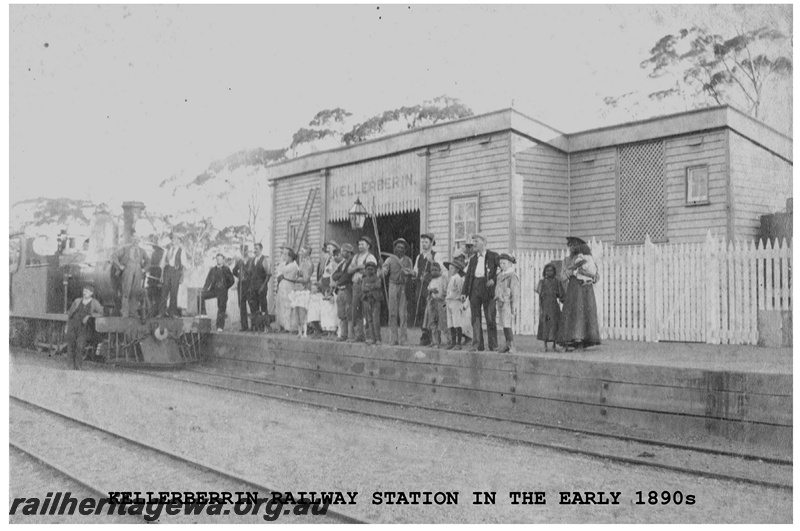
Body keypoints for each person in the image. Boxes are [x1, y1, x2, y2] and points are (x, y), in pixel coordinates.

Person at [558, 237, 601, 351]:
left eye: (574, 245)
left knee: (587, 313)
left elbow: (596, 275)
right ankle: (573, 340)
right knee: (575, 314)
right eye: (570, 245)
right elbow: (562, 277)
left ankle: (584, 341)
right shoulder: (567, 260)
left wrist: (589, 274)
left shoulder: (588, 258)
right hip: (574, 288)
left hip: (586, 289)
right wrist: (572, 271)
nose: (572, 248)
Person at [460, 233, 500, 351]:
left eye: (476, 241)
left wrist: (494, 279)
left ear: (484, 242)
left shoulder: (493, 256)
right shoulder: (473, 259)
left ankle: (493, 345)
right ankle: (477, 345)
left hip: (488, 289)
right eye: (473, 242)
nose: (474, 244)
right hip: (474, 289)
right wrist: (464, 293)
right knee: (475, 318)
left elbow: (503, 269)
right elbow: (468, 277)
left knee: (490, 317)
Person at [381, 238, 414, 346]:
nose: (400, 249)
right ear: (395, 248)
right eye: (398, 247)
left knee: (403, 313)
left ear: (405, 249)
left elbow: (413, 272)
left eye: (402, 247)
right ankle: (393, 338)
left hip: (403, 286)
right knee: (392, 313)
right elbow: (384, 270)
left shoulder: (408, 260)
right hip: (393, 286)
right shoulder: (390, 259)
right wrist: (382, 271)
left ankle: (403, 339)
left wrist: (409, 272)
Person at [65, 285, 104, 370]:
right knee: (71, 345)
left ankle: (78, 367)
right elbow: (70, 313)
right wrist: (67, 325)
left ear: (91, 293)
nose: (84, 293)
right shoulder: (77, 301)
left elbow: (101, 313)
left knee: (80, 346)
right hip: (73, 324)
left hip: (83, 326)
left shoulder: (94, 302)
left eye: (86, 291)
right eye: (84, 291)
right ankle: (70, 366)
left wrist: (89, 316)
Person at [347, 235, 378, 343]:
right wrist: (358, 267)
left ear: (368, 246)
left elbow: (371, 272)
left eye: (362, 244)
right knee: (355, 310)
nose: (360, 246)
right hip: (355, 285)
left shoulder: (370, 257)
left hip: (365, 286)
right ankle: (358, 335)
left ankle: (369, 336)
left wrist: (360, 269)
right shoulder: (355, 257)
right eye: (359, 244)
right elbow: (349, 270)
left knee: (367, 311)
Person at [111, 233, 149, 318]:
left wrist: (144, 269)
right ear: (131, 239)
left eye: (138, 240)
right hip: (128, 269)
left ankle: (133, 312)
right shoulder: (125, 248)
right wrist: (119, 266)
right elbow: (114, 256)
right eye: (134, 239)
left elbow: (148, 261)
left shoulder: (142, 251)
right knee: (126, 291)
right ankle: (125, 312)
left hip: (138, 271)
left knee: (135, 291)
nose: (136, 241)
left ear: (139, 241)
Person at [413, 233, 439, 346]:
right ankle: (424, 334)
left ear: (431, 243)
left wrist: (432, 261)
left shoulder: (436, 255)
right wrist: (411, 273)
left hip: (430, 285)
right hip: (420, 286)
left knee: (430, 311)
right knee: (420, 310)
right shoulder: (419, 257)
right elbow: (416, 272)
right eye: (422, 242)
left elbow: (441, 270)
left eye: (426, 242)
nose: (424, 244)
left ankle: (432, 337)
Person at [200, 253, 235, 332]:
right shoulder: (213, 269)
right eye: (217, 259)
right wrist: (204, 289)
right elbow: (208, 281)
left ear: (223, 260)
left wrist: (226, 287)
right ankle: (203, 314)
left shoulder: (226, 269)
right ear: (216, 260)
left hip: (222, 291)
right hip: (214, 290)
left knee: (221, 308)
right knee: (201, 295)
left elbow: (232, 281)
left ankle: (220, 326)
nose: (219, 260)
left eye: (220, 259)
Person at [536, 262, 565, 352]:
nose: (549, 272)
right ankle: (545, 345)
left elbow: (561, 295)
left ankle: (554, 345)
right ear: (544, 272)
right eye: (547, 271)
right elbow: (540, 294)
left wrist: (564, 300)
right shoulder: (542, 282)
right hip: (545, 306)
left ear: (554, 272)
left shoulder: (557, 282)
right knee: (545, 324)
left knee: (554, 324)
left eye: (551, 271)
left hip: (553, 306)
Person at [495, 253, 520, 353]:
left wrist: (514, 305)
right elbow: (497, 288)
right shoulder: (500, 276)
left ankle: (512, 345)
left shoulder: (512, 276)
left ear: (510, 264)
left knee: (507, 324)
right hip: (500, 302)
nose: (502, 265)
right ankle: (507, 344)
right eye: (500, 263)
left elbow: (515, 292)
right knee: (504, 324)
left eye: (504, 263)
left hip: (507, 303)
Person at [332, 243, 355, 341]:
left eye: (344, 251)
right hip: (340, 289)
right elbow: (334, 275)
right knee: (341, 313)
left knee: (349, 312)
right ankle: (343, 334)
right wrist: (340, 275)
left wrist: (340, 277)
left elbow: (347, 276)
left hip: (347, 288)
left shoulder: (352, 261)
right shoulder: (342, 263)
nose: (342, 253)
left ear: (349, 252)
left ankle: (350, 335)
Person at [444, 255, 468, 350]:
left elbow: (462, 291)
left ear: (457, 269)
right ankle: (453, 342)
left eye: (453, 268)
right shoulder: (451, 278)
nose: (450, 270)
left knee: (457, 322)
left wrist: (463, 303)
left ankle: (458, 343)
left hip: (456, 302)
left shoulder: (458, 279)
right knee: (451, 323)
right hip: (449, 301)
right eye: (449, 268)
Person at [159, 232, 185, 317]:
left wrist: (182, 276)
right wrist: (162, 274)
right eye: (172, 239)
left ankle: (172, 313)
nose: (173, 241)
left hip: (176, 272)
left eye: (175, 239)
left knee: (174, 292)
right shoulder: (167, 249)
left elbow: (184, 264)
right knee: (164, 292)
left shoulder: (181, 250)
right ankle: (161, 312)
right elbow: (162, 261)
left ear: (178, 240)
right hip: (167, 271)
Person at [424, 262, 449, 348]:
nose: (433, 272)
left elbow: (446, 290)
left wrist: (440, 294)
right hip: (433, 301)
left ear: (439, 270)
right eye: (432, 270)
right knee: (432, 322)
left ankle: (450, 340)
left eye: (435, 270)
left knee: (443, 321)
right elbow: (429, 289)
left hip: (441, 302)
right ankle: (435, 341)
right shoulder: (432, 280)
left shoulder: (443, 278)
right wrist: (431, 291)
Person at [275, 247, 299, 332]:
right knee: (281, 305)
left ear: (291, 257)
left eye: (287, 256)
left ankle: (288, 326)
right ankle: (282, 324)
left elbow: (281, 269)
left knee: (287, 306)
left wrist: (280, 266)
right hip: (283, 285)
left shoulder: (293, 265)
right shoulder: (287, 264)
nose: (286, 257)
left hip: (288, 285)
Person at [233, 246, 256, 331]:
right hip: (241, 285)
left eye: (245, 250)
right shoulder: (239, 262)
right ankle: (244, 326)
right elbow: (234, 271)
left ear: (247, 251)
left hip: (249, 285)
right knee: (242, 306)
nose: (244, 252)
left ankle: (254, 325)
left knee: (252, 304)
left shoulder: (251, 260)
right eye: (242, 251)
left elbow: (254, 272)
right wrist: (239, 276)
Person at [361, 261, 384, 345]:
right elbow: (363, 288)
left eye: (371, 269)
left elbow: (378, 285)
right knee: (369, 320)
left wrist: (369, 286)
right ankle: (372, 338)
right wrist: (372, 287)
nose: (369, 271)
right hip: (367, 300)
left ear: (375, 270)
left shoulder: (378, 278)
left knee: (376, 320)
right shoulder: (364, 279)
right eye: (368, 269)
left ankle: (378, 338)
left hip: (376, 300)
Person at [252, 243, 272, 331]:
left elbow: (268, 275)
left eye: (256, 249)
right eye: (254, 249)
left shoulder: (265, 260)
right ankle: (257, 327)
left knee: (263, 306)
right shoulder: (253, 260)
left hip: (261, 286)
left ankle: (266, 327)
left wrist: (263, 286)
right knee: (255, 307)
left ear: (261, 249)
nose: (255, 250)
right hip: (254, 287)